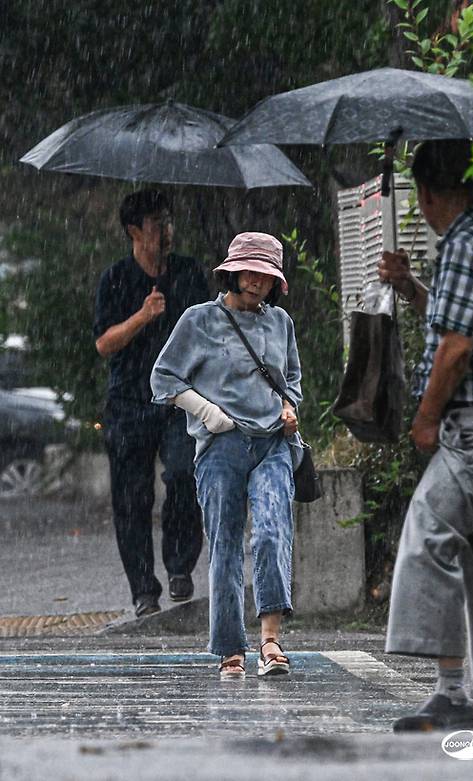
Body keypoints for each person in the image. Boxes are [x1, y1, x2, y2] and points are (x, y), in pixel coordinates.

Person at [378, 139, 473, 731]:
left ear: (429, 193)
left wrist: (423, 417)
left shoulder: (466, 246)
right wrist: (411, 286)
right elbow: (461, 323)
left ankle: (451, 694)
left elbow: (457, 348)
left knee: (427, 537)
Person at [150, 231, 302, 679]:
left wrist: (291, 408)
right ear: (232, 271)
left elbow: (292, 380)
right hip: (220, 448)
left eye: (266, 275)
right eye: (250, 272)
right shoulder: (199, 320)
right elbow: (163, 379)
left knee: (273, 531)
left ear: (276, 282)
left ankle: (271, 641)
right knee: (226, 544)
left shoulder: (280, 324)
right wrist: (207, 411)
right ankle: (230, 650)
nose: (257, 282)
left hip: (273, 442)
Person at [94, 189, 209, 618]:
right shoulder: (115, 279)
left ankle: (180, 565)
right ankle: (143, 588)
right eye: (158, 223)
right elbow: (105, 343)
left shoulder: (188, 273)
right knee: (132, 497)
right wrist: (143, 315)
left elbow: (208, 329)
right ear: (134, 231)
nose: (167, 231)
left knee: (183, 473)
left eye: (169, 221)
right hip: (128, 402)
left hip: (179, 398)